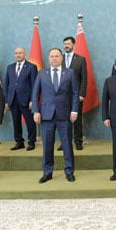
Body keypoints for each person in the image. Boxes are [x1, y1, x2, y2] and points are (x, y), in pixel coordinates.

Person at [32, 48, 79, 183]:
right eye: (52, 56)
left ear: (61, 58)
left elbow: (75, 93)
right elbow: (35, 94)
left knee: (67, 145)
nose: (54, 58)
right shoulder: (42, 73)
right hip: (46, 115)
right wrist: (36, 111)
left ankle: (69, 171)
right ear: (48, 58)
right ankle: (47, 172)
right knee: (47, 145)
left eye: (57, 56)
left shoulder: (69, 73)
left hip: (65, 115)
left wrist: (74, 110)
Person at [4, 47, 38, 151]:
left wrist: (33, 100)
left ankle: (31, 142)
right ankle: (19, 142)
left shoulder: (32, 67)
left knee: (30, 122)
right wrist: (6, 100)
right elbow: (6, 85)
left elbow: (35, 85)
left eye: (20, 53)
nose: (18, 55)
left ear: (24, 54)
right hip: (13, 100)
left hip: (26, 100)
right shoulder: (10, 67)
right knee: (16, 122)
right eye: (16, 53)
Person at [61, 36, 87, 151]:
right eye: (65, 44)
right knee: (63, 119)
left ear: (73, 44)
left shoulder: (80, 59)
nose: (66, 46)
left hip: (76, 95)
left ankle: (78, 141)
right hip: (62, 95)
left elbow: (84, 78)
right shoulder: (59, 58)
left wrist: (82, 94)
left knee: (77, 119)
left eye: (68, 43)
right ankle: (64, 142)